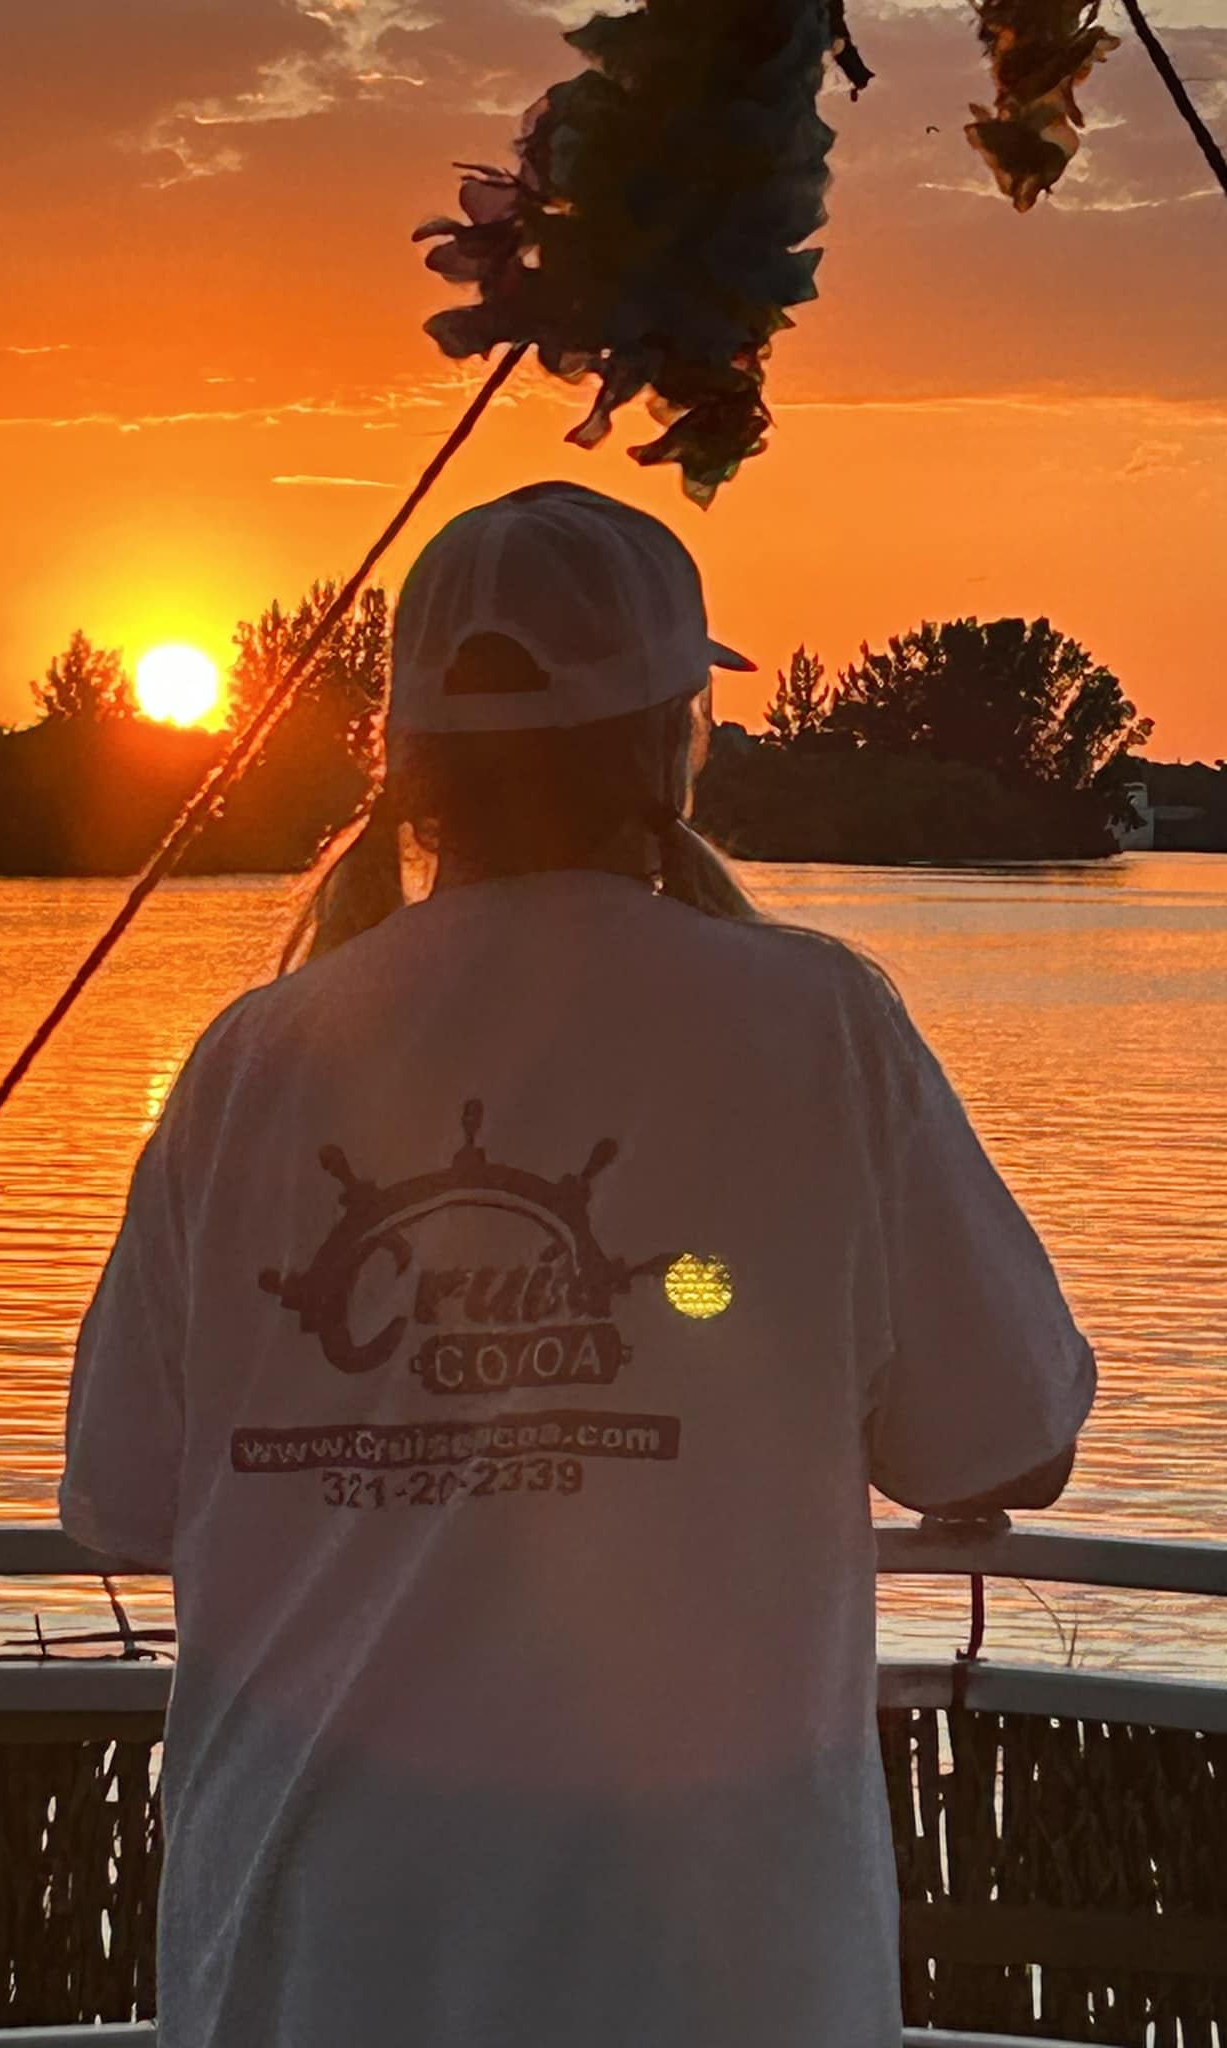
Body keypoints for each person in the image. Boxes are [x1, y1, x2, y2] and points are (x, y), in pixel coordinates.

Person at [60, 481, 1095, 2048]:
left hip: (301, 1969)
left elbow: (124, 1492)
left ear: (406, 762)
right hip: (708, 1979)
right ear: (675, 739)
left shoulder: (250, 1062)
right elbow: (1010, 1437)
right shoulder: (818, 1027)